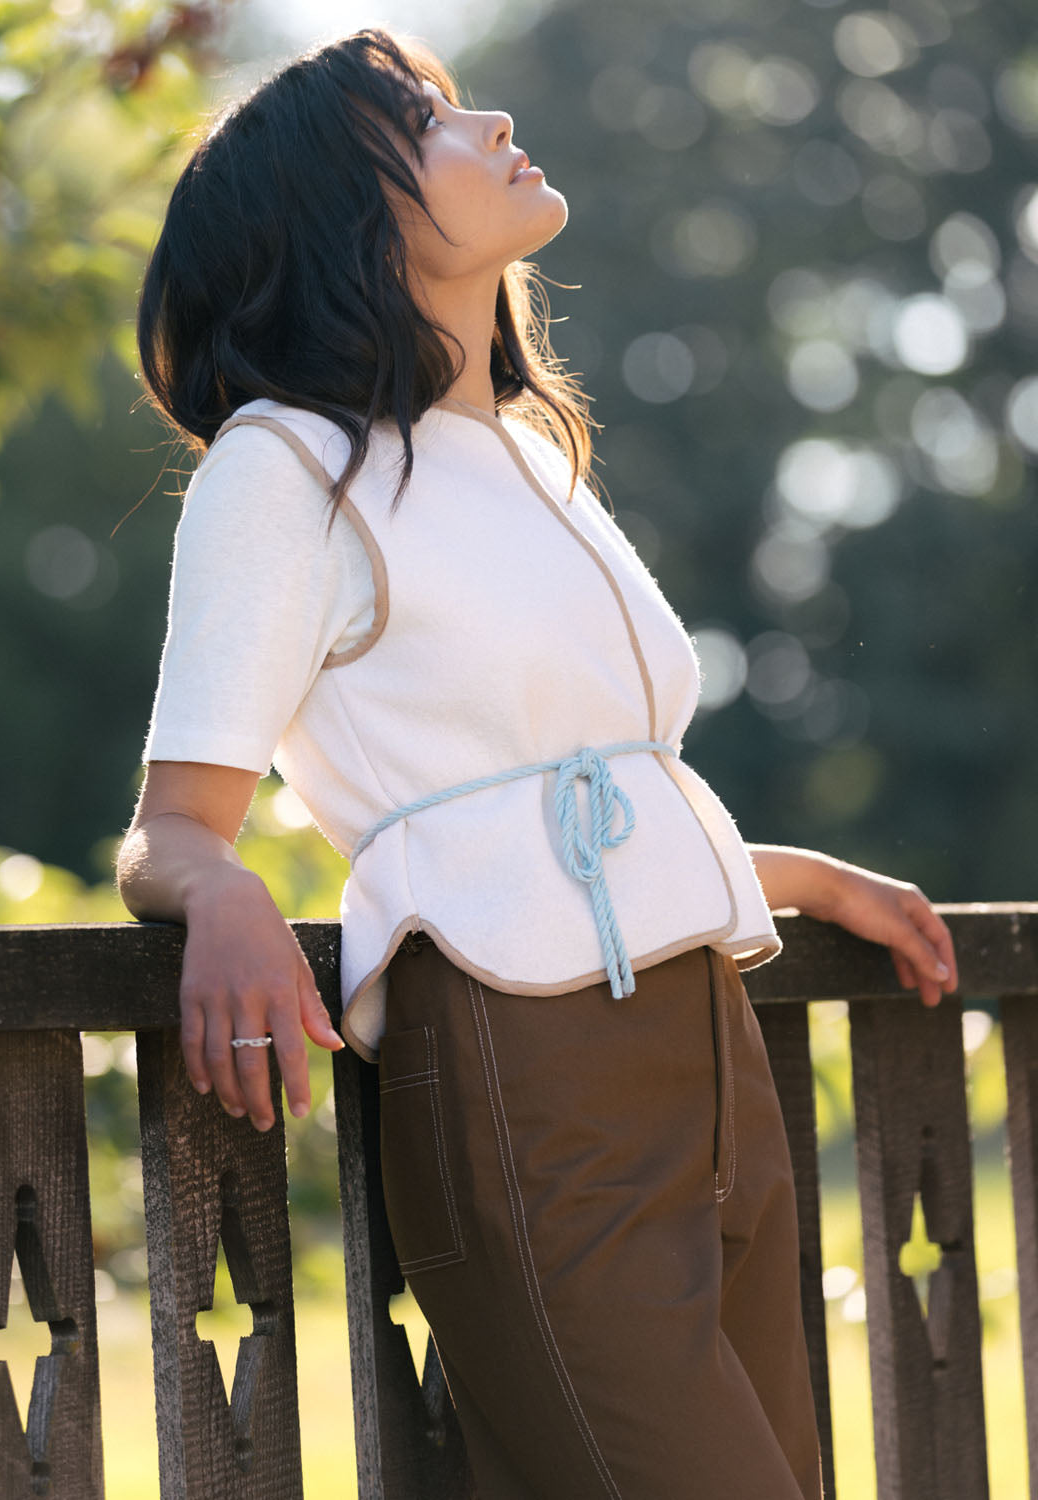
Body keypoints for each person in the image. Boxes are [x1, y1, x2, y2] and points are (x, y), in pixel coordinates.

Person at [116, 27, 959, 1500]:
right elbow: (174, 827)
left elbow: (556, 826)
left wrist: (801, 875)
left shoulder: (526, 457)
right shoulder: (286, 466)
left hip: (714, 1067)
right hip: (528, 1079)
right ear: (342, 213)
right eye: (431, 121)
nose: (495, 121)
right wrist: (225, 897)